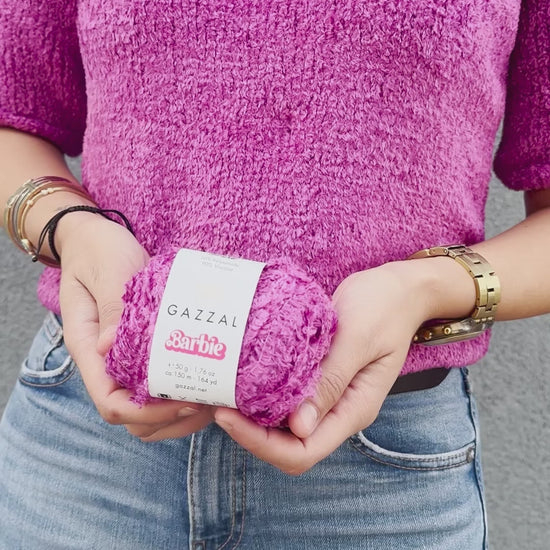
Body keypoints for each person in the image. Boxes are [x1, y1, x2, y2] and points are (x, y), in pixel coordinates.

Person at [0, 1, 548, 548]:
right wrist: (71, 228)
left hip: (378, 474)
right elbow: (12, 116)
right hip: (90, 445)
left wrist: (423, 289)